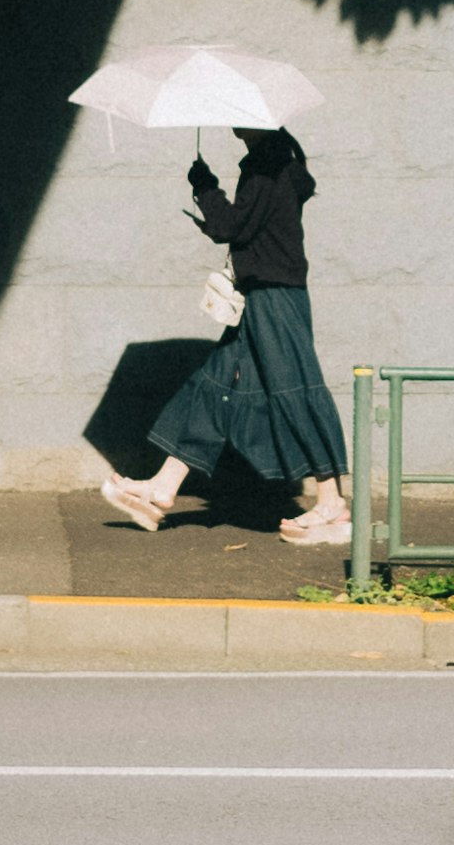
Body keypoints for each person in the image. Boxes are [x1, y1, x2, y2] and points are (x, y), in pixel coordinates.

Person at [99, 126, 352, 546]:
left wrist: (205, 187)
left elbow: (231, 227)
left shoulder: (266, 167)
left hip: (275, 299)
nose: (232, 123)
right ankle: (162, 488)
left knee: (294, 391)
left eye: (240, 117)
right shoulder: (278, 164)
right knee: (214, 388)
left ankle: (332, 506)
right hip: (263, 297)